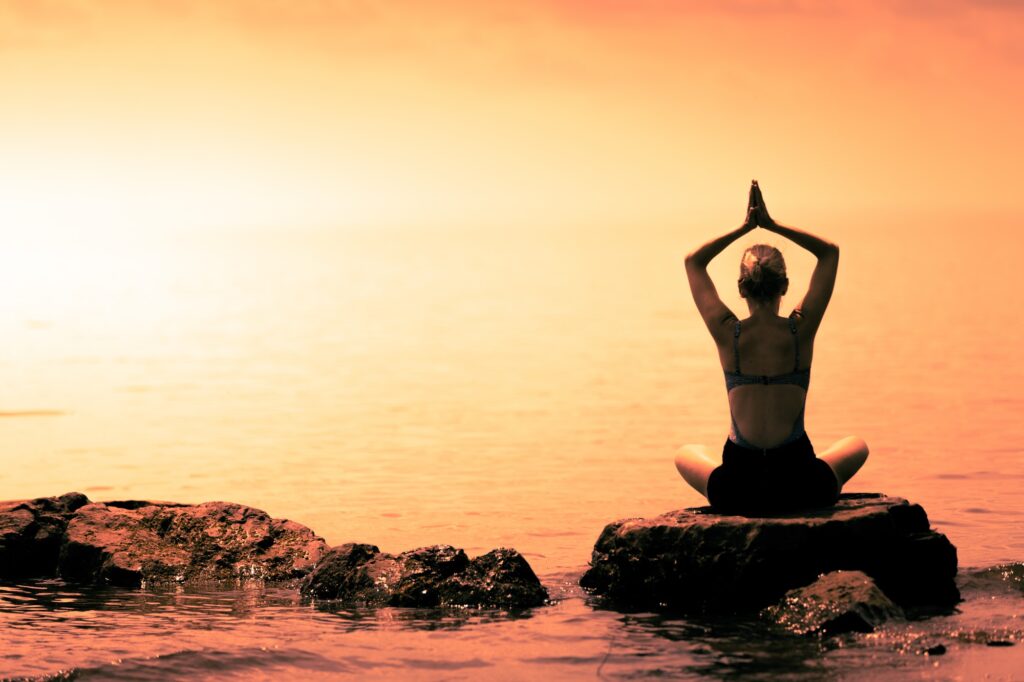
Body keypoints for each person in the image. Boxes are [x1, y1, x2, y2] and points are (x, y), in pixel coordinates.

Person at [674, 180, 868, 514]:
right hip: (801, 485)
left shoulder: (727, 334)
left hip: (737, 489)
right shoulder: (800, 331)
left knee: (685, 452)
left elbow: (693, 261)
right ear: (785, 285)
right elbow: (829, 252)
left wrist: (743, 227)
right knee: (857, 445)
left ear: (741, 288)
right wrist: (772, 224)